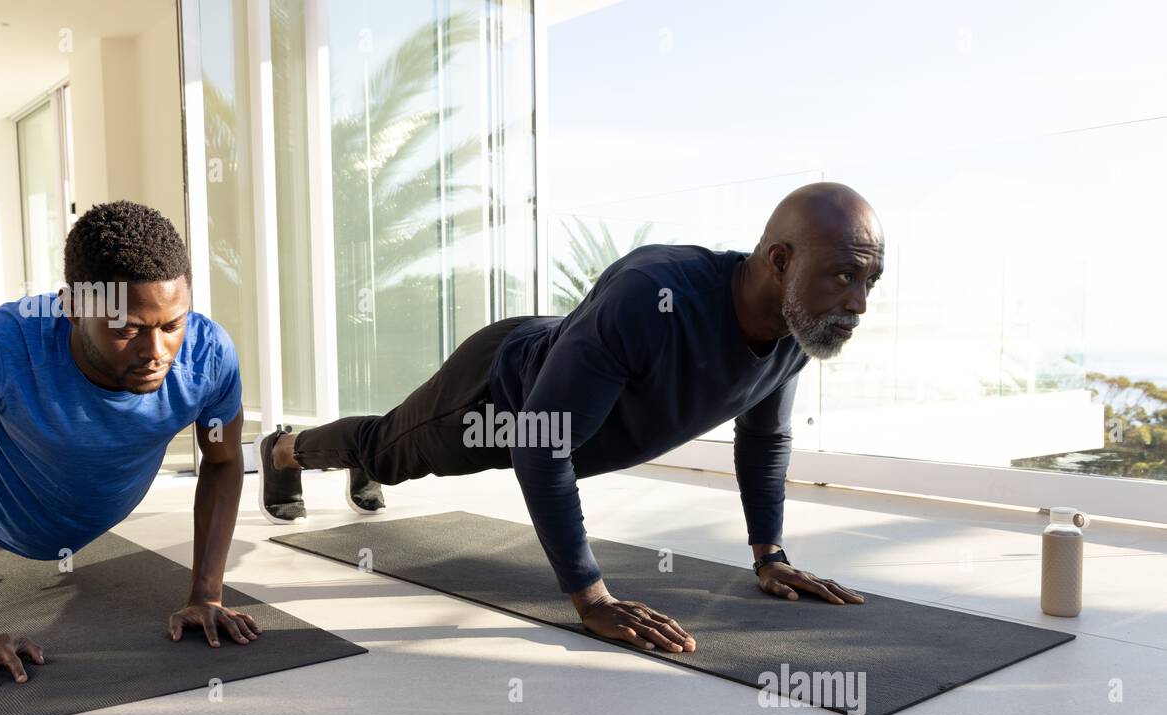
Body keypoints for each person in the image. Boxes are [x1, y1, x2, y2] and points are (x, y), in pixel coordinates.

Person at [257, 182, 881, 653]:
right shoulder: (655, 293)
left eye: (869, 282)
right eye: (843, 276)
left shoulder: (802, 327)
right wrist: (592, 598)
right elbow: (538, 444)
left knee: (388, 451)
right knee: (389, 450)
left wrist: (769, 554)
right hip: (497, 397)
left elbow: (765, 436)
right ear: (778, 261)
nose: (856, 304)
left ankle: (371, 460)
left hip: (563, 378)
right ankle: (286, 451)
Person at [0, 200, 259, 691]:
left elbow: (224, 461)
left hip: (81, 514)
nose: (156, 353)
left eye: (171, 326)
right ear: (73, 306)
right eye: (127, 330)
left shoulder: (210, 355)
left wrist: (207, 593)